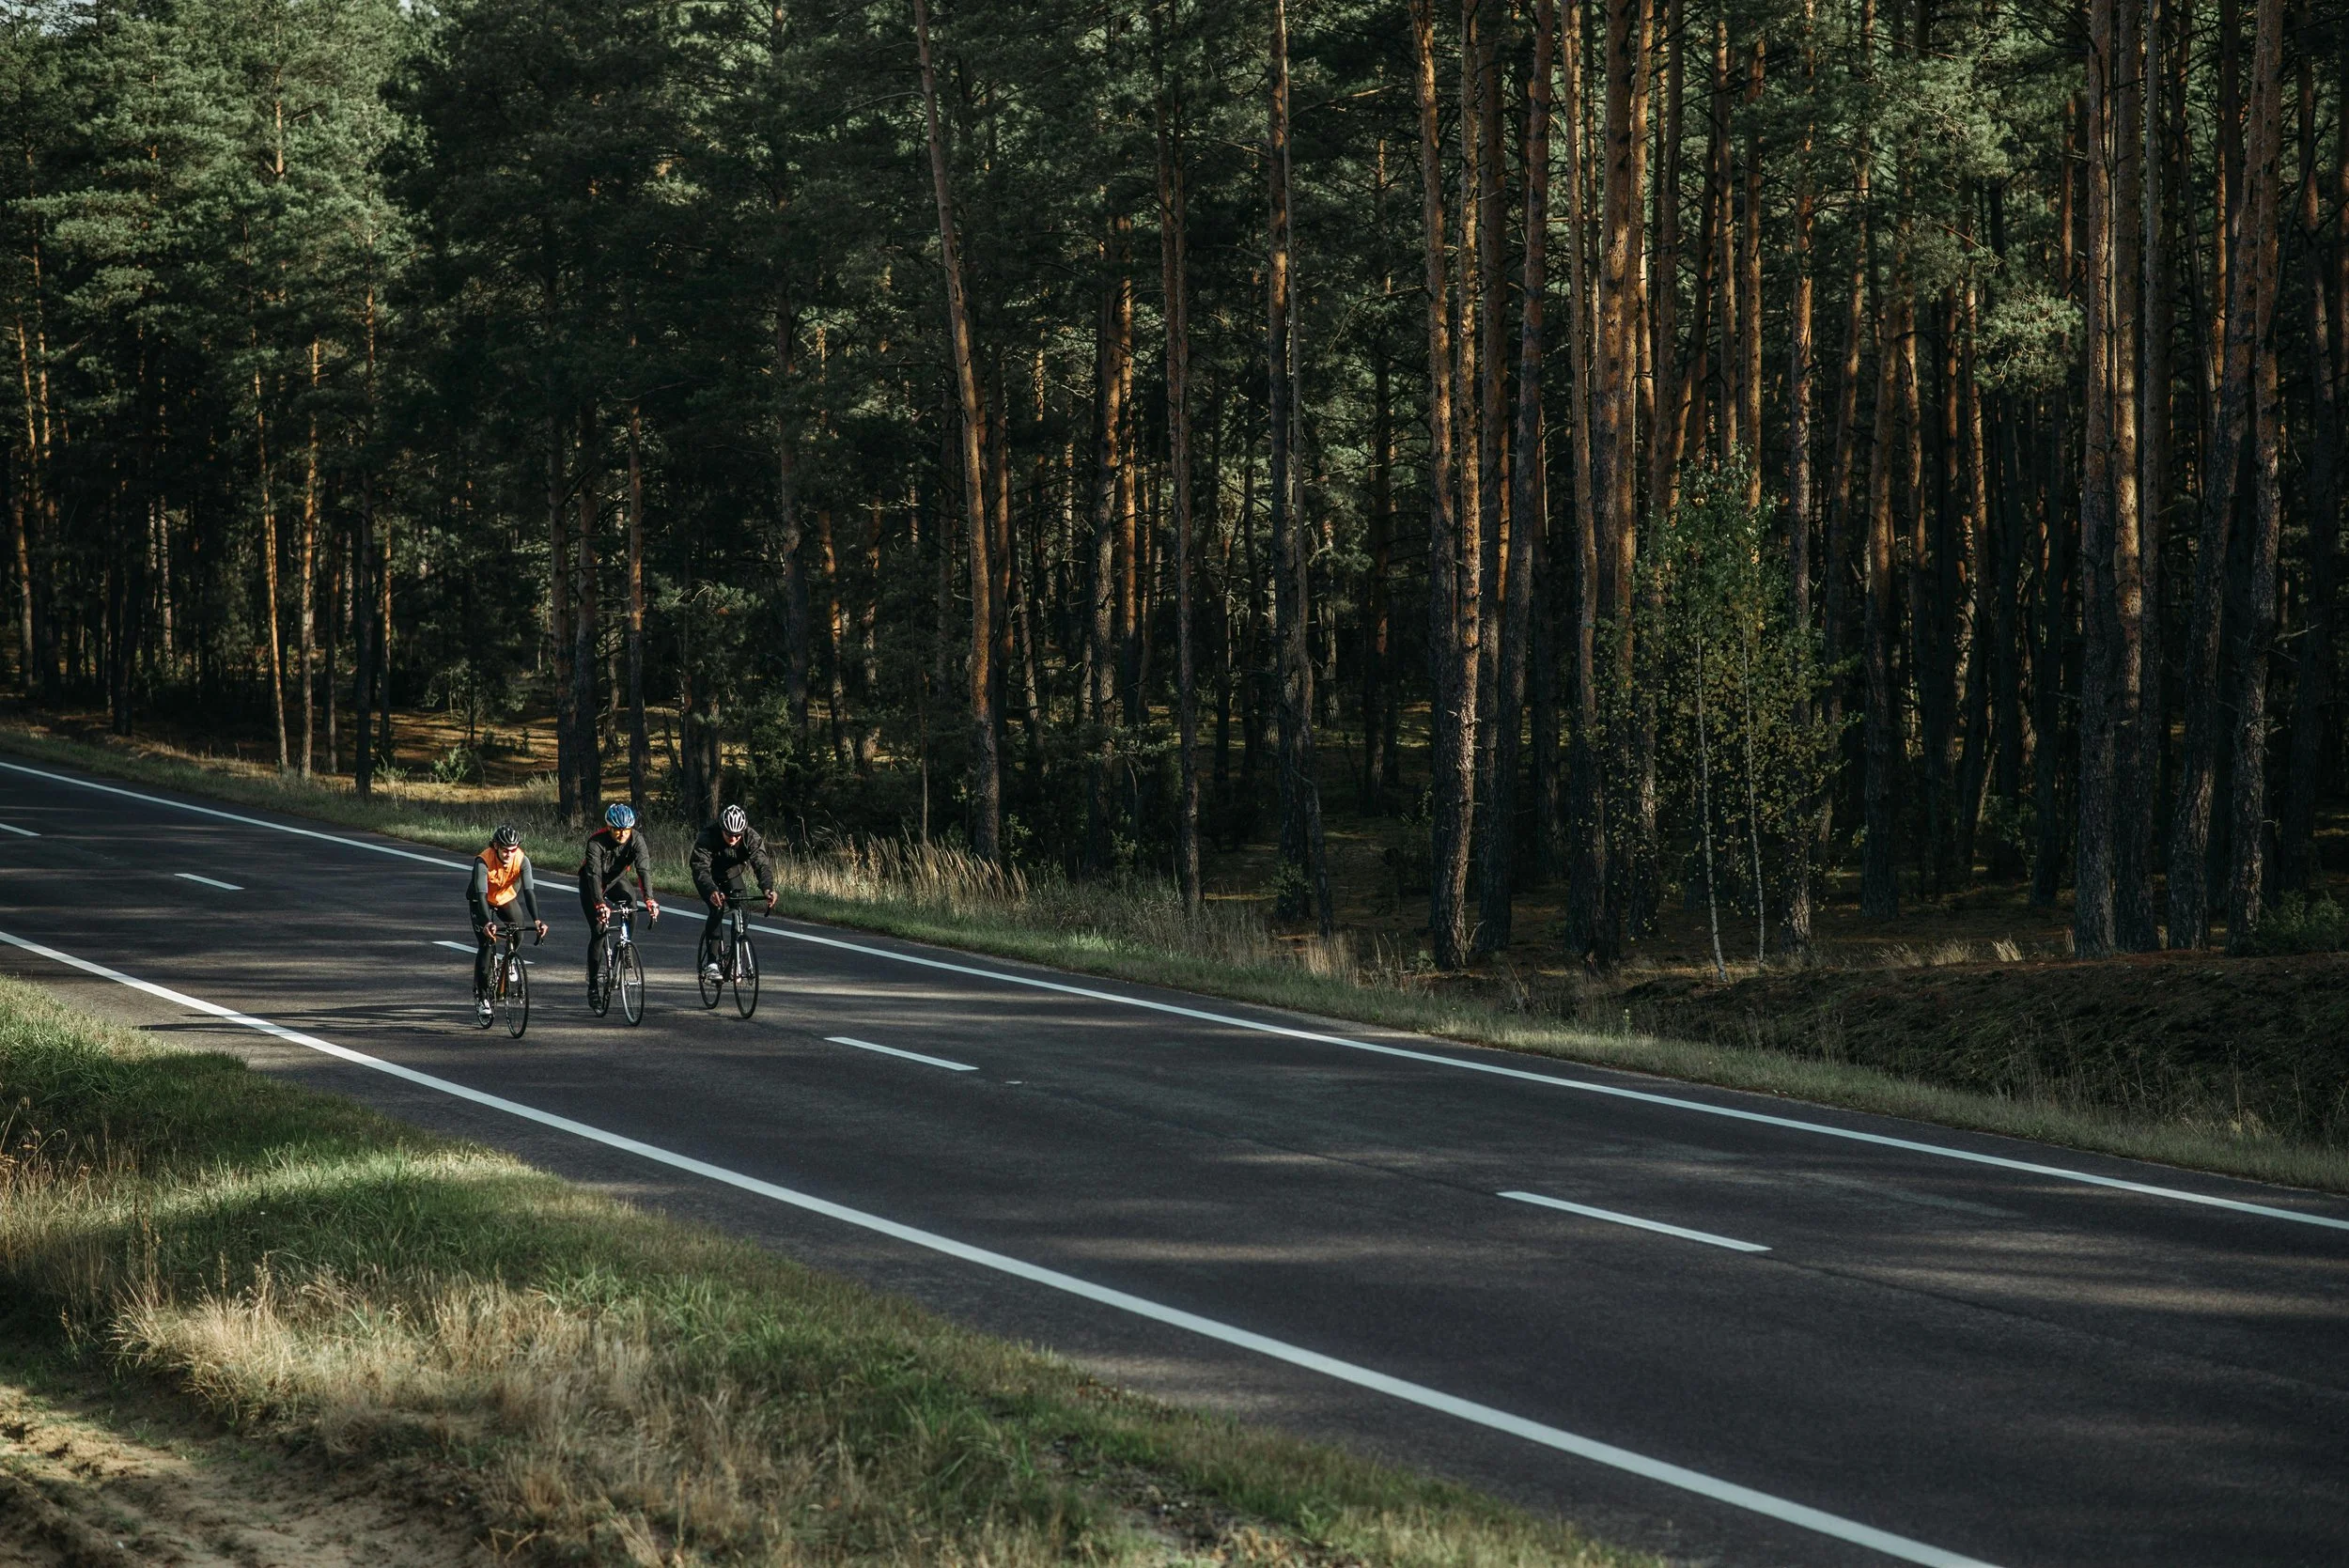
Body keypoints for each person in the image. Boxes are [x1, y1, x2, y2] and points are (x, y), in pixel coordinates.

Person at [579, 801, 661, 1001]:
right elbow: (594, 875)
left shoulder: (636, 840)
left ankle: (625, 943)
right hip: (592, 883)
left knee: (631, 903)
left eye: (626, 830)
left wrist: (649, 899)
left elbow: (643, 870)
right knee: (599, 931)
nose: (622, 834)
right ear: (609, 827)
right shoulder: (596, 842)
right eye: (617, 830)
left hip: (616, 880)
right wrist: (600, 904)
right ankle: (592, 988)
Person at [468, 823, 547, 1023]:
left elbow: (529, 891)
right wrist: (487, 923)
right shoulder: (483, 861)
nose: (509, 854)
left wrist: (537, 920)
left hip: (504, 897)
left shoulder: (522, 859)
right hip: (481, 900)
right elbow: (481, 893)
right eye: (505, 850)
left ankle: (509, 960)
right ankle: (483, 997)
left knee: (518, 931)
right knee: (487, 943)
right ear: (495, 846)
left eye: (513, 850)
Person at [690, 803, 775, 982]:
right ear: (722, 829)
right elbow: (699, 867)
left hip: (731, 873)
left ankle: (736, 958)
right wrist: (712, 890)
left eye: (737, 835)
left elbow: (761, 864)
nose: (734, 838)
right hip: (709, 875)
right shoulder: (708, 836)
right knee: (717, 909)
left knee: (742, 910)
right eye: (729, 834)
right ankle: (712, 963)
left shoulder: (751, 837)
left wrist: (768, 888)